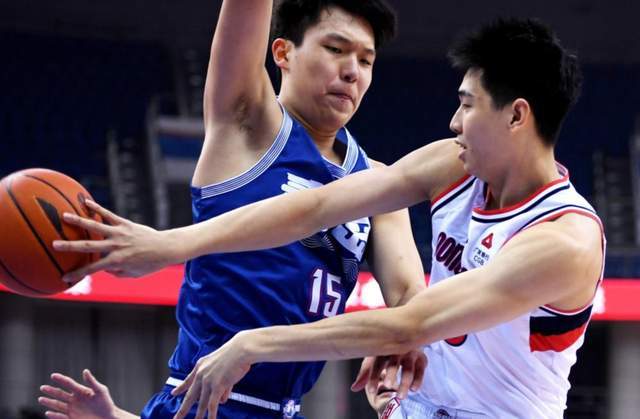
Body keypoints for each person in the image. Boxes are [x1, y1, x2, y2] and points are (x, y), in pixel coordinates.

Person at [50, 17, 603, 419]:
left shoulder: (564, 241)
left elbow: (411, 320)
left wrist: (253, 344)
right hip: (411, 406)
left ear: (516, 116)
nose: (454, 122)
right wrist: (169, 245)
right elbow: (316, 206)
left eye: (467, 104)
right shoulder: (453, 164)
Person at [41, 1, 428, 418]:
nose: (352, 71)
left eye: (366, 60)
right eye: (335, 49)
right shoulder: (247, 121)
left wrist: (396, 337)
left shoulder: (378, 182)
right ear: (283, 53)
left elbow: (412, 300)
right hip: (204, 399)